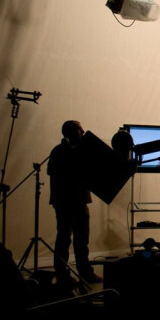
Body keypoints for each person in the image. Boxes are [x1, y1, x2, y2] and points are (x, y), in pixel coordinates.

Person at [48, 120, 101, 286]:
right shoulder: (59, 151)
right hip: (65, 202)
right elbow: (53, 171)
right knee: (64, 239)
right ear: (71, 132)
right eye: (80, 130)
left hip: (79, 201)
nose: (83, 132)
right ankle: (63, 276)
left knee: (81, 240)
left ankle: (85, 273)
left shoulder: (77, 150)